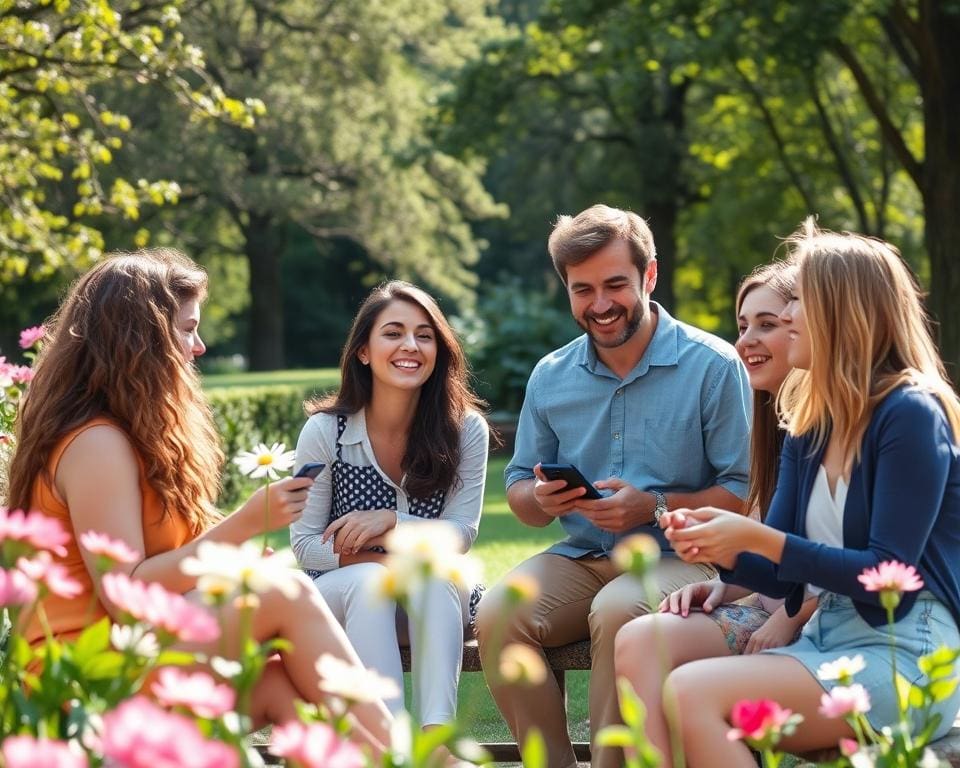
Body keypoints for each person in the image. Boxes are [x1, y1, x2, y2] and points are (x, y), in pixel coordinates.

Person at [6, 249, 392, 753]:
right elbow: (128, 595)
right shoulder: (96, 444)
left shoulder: (129, 434)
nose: (200, 345)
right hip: (82, 683)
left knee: (279, 686)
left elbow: (163, 571)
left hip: (133, 657)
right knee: (286, 593)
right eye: (187, 329)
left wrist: (230, 566)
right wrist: (246, 525)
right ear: (141, 339)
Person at [660, 220, 960, 766]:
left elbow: (887, 572)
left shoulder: (910, 414)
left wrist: (758, 538)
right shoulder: (809, 425)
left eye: (799, 299)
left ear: (841, 310)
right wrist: (718, 549)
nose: (789, 314)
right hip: (825, 641)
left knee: (691, 691)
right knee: (678, 677)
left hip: (905, 653)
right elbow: (780, 574)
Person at [474, 204, 753, 768]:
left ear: (650, 276)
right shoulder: (551, 376)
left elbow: (745, 491)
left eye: (615, 284)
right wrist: (540, 497)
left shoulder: (714, 366)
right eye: (583, 290)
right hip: (583, 554)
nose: (599, 305)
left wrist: (652, 505)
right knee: (498, 613)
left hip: (687, 556)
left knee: (618, 608)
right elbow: (520, 492)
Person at [613, 259, 819, 763]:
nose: (746, 339)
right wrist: (724, 584)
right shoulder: (777, 427)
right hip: (768, 604)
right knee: (640, 639)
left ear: (808, 325)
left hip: (820, 620)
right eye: (743, 325)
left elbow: (864, 556)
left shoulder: (840, 425)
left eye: (768, 325)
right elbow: (775, 548)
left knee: (679, 677)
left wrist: (792, 618)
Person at [291, 280, 489, 727]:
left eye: (424, 334)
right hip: (345, 597)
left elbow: (460, 534)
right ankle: (388, 742)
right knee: (368, 583)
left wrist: (391, 524)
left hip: (435, 600)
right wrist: (381, 557)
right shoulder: (327, 432)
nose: (411, 346)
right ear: (363, 350)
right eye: (393, 332)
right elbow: (305, 544)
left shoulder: (464, 430)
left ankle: (436, 738)